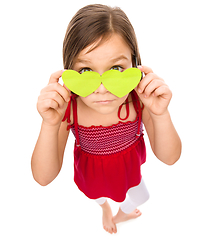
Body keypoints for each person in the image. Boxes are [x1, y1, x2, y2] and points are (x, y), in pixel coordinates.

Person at [31, 4, 181, 234]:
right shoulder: (68, 108)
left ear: (134, 63)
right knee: (98, 196)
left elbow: (170, 158)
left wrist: (160, 114)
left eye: (116, 68)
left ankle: (121, 213)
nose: (102, 89)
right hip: (92, 175)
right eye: (85, 71)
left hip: (129, 170)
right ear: (68, 69)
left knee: (142, 195)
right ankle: (105, 209)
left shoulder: (141, 99)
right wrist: (49, 124)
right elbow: (43, 178)